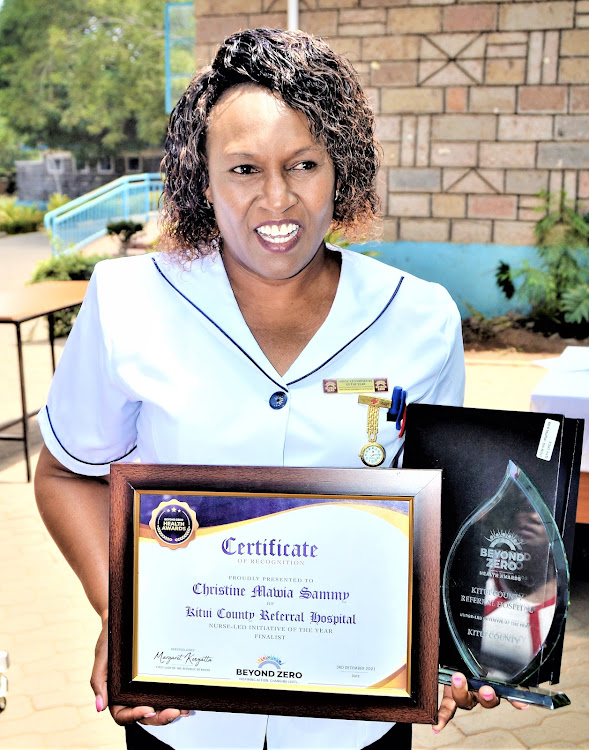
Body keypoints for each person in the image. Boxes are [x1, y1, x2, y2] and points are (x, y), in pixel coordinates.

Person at [35, 26, 526, 750]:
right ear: (201, 178)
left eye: (303, 164)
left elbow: (448, 512)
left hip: (355, 720)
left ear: (341, 169)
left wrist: (463, 643)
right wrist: (123, 617)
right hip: (187, 720)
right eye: (242, 169)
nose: (277, 199)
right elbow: (66, 475)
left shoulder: (419, 318)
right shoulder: (128, 299)